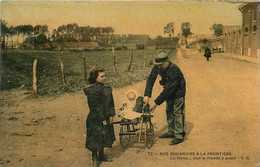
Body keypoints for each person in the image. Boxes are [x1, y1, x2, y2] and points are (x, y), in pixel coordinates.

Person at [143, 50, 186, 145]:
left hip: (178, 91)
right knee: (169, 110)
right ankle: (171, 131)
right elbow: (150, 80)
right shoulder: (158, 66)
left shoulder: (174, 69)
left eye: (161, 65)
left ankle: (179, 135)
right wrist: (147, 95)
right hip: (169, 89)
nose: (158, 67)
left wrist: (155, 103)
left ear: (167, 62)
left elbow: (168, 90)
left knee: (177, 112)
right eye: (157, 65)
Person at [83, 66, 115, 167]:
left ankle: (101, 155)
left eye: (105, 76)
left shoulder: (107, 90)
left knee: (104, 135)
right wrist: (102, 119)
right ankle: (94, 158)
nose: (104, 78)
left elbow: (111, 104)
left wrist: (111, 115)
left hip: (105, 116)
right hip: (95, 117)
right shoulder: (91, 91)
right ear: (95, 78)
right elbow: (94, 107)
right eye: (102, 76)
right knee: (94, 137)